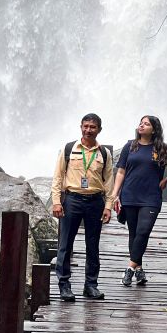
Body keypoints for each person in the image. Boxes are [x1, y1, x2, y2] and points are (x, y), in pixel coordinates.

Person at [51, 113, 115, 301]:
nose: (88, 130)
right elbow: (58, 176)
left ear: (99, 130)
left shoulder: (104, 153)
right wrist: (56, 201)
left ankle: (91, 285)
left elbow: (109, 181)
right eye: (85, 126)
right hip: (72, 200)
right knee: (65, 244)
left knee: (92, 245)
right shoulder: (69, 149)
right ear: (80, 127)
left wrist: (108, 206)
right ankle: (64, 286)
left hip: (95, 201)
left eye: (92, 127)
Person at [111, 115, 167, 286]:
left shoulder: (162, 148)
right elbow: (121, 171)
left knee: (143, 231)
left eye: (146, 124)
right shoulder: (130, 146)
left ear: (154, 129)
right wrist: (115, 194)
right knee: (134, 234)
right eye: (141, 122)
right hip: (130, 195)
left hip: (151, 197)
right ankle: (139, 269)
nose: (142, 125)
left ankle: (130, 269)